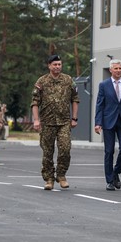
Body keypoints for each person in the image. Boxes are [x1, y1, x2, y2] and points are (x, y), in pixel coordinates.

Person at [31, 54, 80, 190]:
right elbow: (35, 102)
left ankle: (61, 175)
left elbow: (75, 99)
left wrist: (74, 118)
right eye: (55, 64)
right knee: (47, 152)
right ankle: (49, 179)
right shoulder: (42, 81)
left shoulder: (68, 80)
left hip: (64, 122)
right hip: (47, 122)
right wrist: (36, 120)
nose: (57, 67)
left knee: (65, 149)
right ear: (49, 66)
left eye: (59, 64)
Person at [94, 59, 121, 191]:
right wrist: (98, 123)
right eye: (116, 68)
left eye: (120, 68)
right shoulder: (104, 85)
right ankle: (109, 181)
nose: (118, 71)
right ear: (110, 70)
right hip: (108, 121)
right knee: (109, 151)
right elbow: (99, 105)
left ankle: (116, 172)